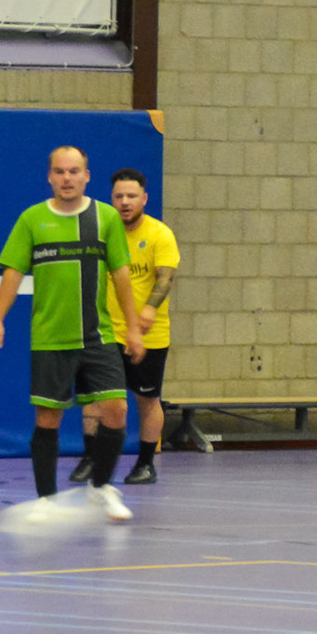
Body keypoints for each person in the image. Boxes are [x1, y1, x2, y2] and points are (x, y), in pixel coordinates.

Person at [0, 146, 145, 522]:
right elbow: (12, 273)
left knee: (117, 410)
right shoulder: (32, 219)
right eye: (59, 171)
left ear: (87, 176)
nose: (67, 178)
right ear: (50, 177)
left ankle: (100, 487)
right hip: (50, 339)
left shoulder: (105, 218)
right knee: (48, 419)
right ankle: (45, 499)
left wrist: (134, 328)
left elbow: (121, 275)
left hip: (98, 336)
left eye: (74, 171)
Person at [74, 169, 179, 485]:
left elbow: (166, 278)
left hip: (148, 335)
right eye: (119, 196)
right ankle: (91, 458)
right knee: (95, 396)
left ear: (144, 198)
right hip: (105, 332)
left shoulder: (160, 234)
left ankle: (145, 464)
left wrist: (149, 309)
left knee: (146, 399)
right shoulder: (103, 233)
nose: (125, 202)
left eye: (131, 196)